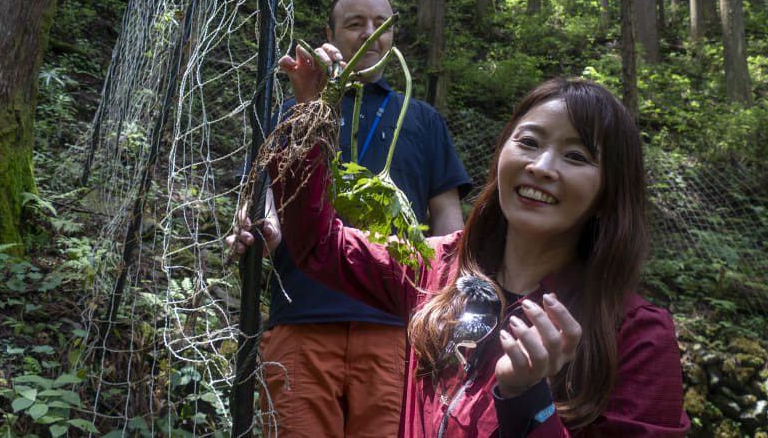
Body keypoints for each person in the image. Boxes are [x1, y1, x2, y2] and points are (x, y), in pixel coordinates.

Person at [242, 76, 690, 437]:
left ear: (611, 188)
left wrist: (528, 402)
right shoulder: (435, 268)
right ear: (502, 153)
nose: (541, 166)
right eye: (529, 142)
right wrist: (310, 121)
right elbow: (319, 248)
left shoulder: (636, 335)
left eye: (576, 155)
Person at [230, 0, 471, 437]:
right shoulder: (294, 111)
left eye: (381, 24)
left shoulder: (422, 119)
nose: (369, 34)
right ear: (332, 33)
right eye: (354, 23)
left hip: (395, 326)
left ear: (393, 36)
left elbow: (447, 223)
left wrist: (451, 305)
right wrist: (262, 226)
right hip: (300, 317)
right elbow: (265, 195)